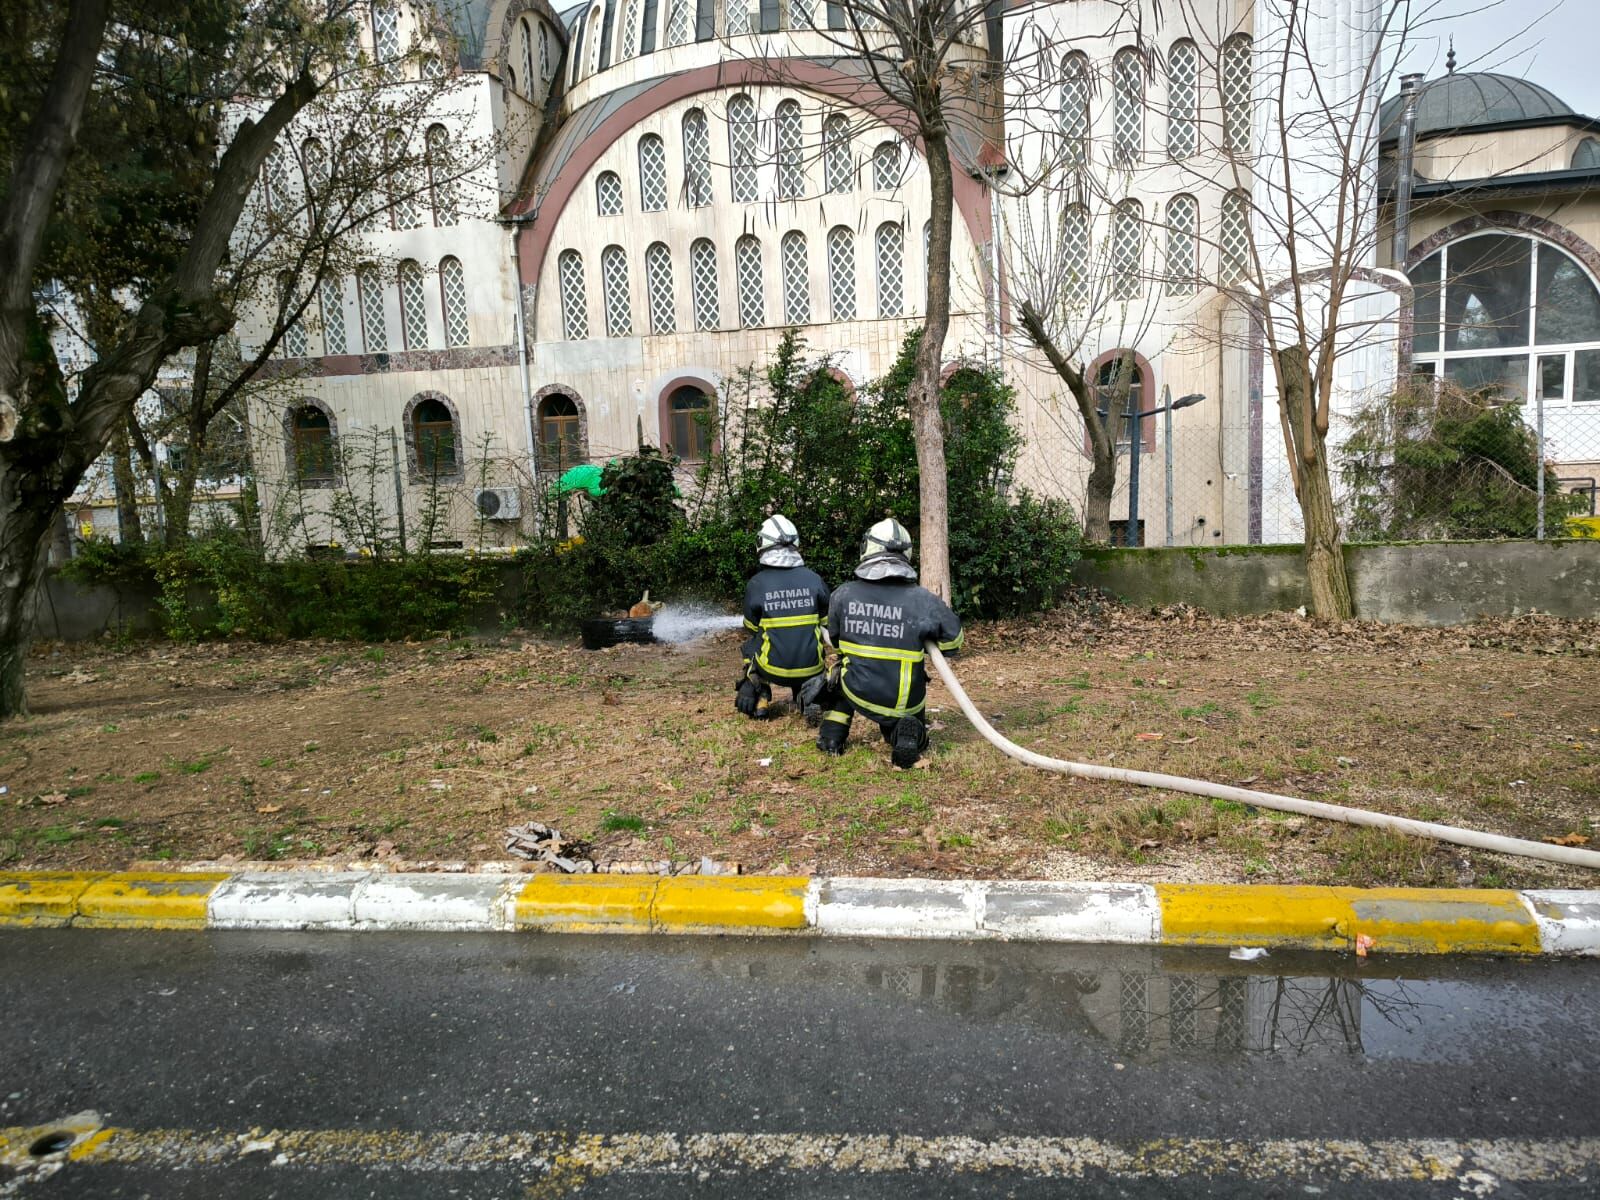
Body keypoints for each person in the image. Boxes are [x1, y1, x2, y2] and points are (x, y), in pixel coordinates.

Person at [816, 518, 962, 767]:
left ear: (868, 549)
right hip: (904, 699)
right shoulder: (922, 599)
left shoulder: (843, 594)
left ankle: (832, 736)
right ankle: (907, 733)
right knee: (909, 711)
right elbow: (953, 642)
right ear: (906, 552)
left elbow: (837, 642)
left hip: (858, 689)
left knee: (839, 677)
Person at [736, 514, 831, 721]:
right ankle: (809, 693)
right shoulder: (815, 579)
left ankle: (759, 695)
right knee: (807, 641)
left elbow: (751, 629)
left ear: (762, 544)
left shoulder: (757, 583)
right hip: (811, 667)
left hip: (773, 670)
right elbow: (826, 626)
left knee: (752, 645)